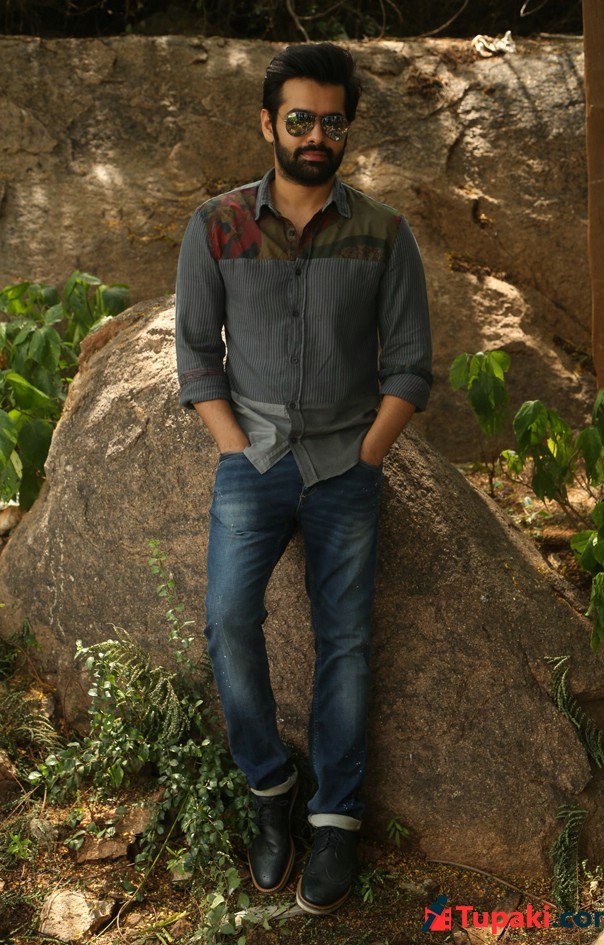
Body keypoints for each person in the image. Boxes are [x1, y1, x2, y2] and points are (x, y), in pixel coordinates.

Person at [175, 41, 432, 916]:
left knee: (345, 642)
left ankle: (335, 819)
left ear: (346, 129)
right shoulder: (216, 227)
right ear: (268, 124)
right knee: (226, 620)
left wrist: (368, 455)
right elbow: (196, 357)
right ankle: (269, 788)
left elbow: (410, 366)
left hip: (345, 466)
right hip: (252, 462)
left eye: (332, 122)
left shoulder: (385, 233)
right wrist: (235, 446)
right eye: (299, 119)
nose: (316, 135)